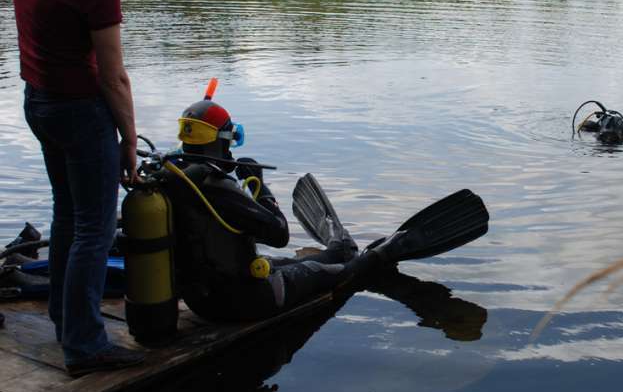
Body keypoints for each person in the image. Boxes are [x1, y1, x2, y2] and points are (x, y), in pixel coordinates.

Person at [155, 96, 490, 323]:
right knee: (340, 271)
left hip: (203, 298)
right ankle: (381, 252)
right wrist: (259, 183)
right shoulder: (218, 188)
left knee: (316, 258)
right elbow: (279, 233)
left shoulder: (167, 178)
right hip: (243, 302)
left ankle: (340, 246)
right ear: (223, 140)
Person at [12, 0, 145, 376]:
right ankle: (86, 347)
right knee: (94, 226)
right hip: (81, 113)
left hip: (38, 103)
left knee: (68, 213)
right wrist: (129, 140)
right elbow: (113, 78)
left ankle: (65, 318)